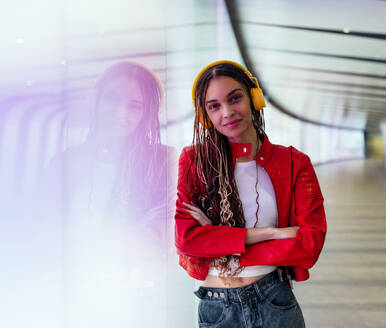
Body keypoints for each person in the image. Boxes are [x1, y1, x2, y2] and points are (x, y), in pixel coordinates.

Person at [174, 60, 327, 328]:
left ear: (254, 98)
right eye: (214, 106)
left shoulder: (293, 162)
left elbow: (309, 242)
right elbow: (186, 239)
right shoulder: (193, 161)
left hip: (274, 301)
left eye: (235, 99)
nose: (228, 112)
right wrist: (272, 233)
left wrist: (220, 244)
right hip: (217, 308)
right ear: (204, 114)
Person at [40, 61, 178, 327]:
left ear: (147, 114)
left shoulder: (166, 161)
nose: (119, 112)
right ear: (94, 101)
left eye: (134, 106)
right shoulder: (64, 163)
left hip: (144, 300)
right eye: (111, 99)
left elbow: (164, 240)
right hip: (76, 298)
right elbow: (49, 238)